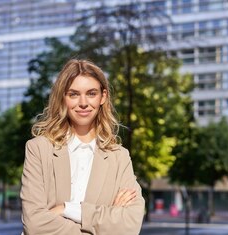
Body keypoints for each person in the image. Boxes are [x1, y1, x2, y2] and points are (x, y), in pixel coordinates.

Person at [20, 59, 145, 234]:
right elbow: (35, 225)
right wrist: (103, 225)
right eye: (74, 94)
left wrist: (67, 208)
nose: (83, 102)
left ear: (103, 96)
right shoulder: (39, 149)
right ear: (63, 98)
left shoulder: (119, 156)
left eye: (91, 93)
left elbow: (130, 225)